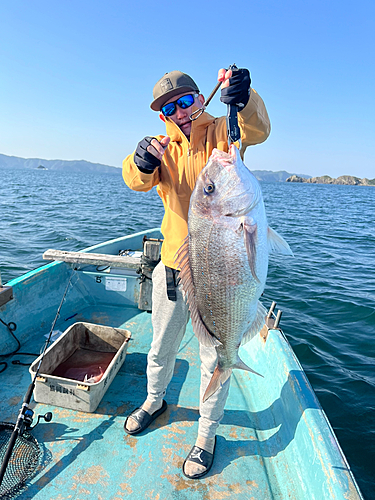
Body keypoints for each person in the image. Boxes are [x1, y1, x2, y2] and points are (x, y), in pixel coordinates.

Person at [122, 67, 270, 479]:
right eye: (170, 108)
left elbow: (257, 129)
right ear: (161, 116)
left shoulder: (226, 129)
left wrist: (245, 96)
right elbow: (135, 180)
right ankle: (154, 400)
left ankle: (206, 436)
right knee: (160, 345)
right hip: (174, 266)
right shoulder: (162, 146)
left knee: (213, 357)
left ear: (199, 98)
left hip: (219, 272)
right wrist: (140, 162)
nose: (180, 111)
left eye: (185, 101)